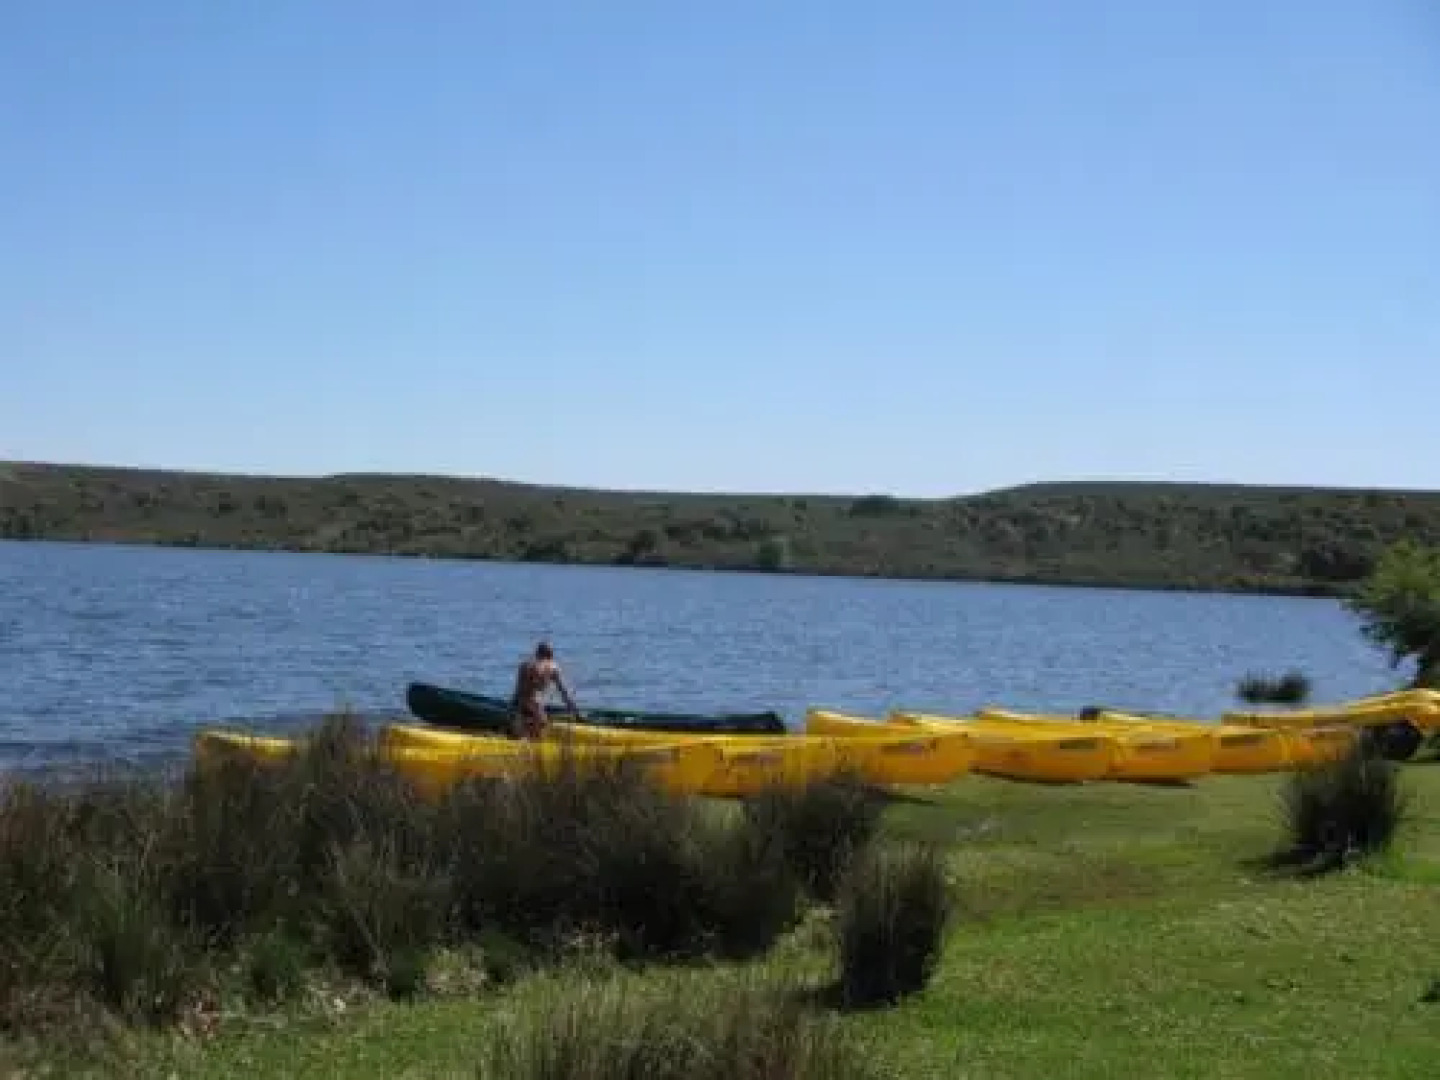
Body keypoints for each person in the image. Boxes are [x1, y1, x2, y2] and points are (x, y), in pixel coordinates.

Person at [509, 640, 580, 739]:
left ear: (537, 653)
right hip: (534, 703)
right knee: (542, 727)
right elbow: (563, 691)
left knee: (520, 733)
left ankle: (522, 736)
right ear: (551, 655)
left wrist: (513, 706)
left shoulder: (525, 665)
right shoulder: (552, 666)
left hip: (520, 703)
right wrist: (573, 710)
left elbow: (518, 688)